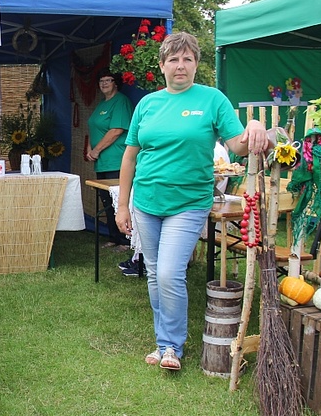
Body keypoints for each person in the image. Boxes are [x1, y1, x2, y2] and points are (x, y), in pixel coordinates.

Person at [115, 32, 270, 371]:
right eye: (173, 59)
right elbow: (129, 157)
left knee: (170, 273)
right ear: (162, 66)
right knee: (155, 274)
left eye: (187, 59)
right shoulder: (147, 104)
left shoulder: (212, 99)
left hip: (188, 203)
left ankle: (172, 345)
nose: (180, 66)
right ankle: (163, 343)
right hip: (146, 201)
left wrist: (255, 124)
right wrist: (123, 205)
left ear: (196, 64)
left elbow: (238, 145)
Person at [86, 68, 134, 254]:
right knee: (106, 201)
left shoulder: (121, 101)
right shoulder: (101, 104)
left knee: (120, 201)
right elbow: (94, 127)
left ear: (116, 83)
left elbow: (116, 130)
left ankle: (126, 240)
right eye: (101, 81)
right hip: (102, 161)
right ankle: (114, 237)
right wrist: (90, 149)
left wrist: (97, 150)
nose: (104, 84)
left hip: (117, 160)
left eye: (108, 80)